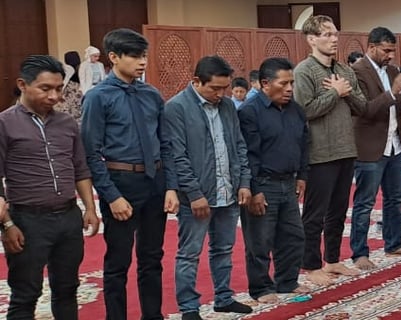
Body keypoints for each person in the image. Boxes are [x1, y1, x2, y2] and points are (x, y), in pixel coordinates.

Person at [81, 28, 176, 320]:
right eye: (134, 56)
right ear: (113, 57)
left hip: (155, 182)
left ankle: (153, 315)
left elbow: (166, 143)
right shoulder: (98, 97)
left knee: (152, 259)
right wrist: (111, 196)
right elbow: (90, 153)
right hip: (121, 183)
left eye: (144, 55)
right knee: (118, 263)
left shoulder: (151, 94)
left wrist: (171, 187)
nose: (142, 62)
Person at [1, 55, 101, 320]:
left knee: (67, 289)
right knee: (25, 294)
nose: (54, 96)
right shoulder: (5, 124)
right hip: (27, 220)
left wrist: (90, 208)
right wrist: (7, 225)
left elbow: (80, 169)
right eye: (45, 88)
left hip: (68, 218)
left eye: (58, 88)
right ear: (23, 85)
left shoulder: (66, 123)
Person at [161, 55, 253, 319]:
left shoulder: (226, 107)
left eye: (224, 89)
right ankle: (189, 307)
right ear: (196, 82)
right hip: (197, 196)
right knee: (189, 253)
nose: (220, 94)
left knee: (223, 249)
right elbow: (177, 156)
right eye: (214, 88)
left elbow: (239, 146)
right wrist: (194, 194)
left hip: (228, 190)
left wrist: (244, 182)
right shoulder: (177, 108)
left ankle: (223, 298)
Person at [294, 15, 367, 285]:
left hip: (346, 148)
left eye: (335, 34)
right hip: (320, 153)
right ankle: (311, 265)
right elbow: (304, 111)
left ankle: (333, 260)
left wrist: (345, 92)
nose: (334, 39)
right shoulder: (304, 71)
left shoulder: (346, 71)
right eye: (326, 35)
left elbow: (363, 106)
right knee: (314, 213)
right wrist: (334, 93)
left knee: (338, 211)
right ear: (311, 39)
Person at [238, 57, 314, 304]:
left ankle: (287, 281)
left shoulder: (296, 110)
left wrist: (302, 175)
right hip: (263, 184)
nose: (290, 88)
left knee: (293, 236)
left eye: (291, 82)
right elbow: (248, 154)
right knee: (260, 240)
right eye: (284, 83)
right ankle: (261, 288)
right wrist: (255, 190)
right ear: (265, 84)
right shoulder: (250, 112)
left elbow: (304, 145)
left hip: (289, 182)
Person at [349, 27, 401, 268]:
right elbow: (365, 110)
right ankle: (360, 253)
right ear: (371, 47)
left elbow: (399, 106)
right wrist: (393, 91)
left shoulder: (391, 71)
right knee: (365, 203)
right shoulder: (357, 71)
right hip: (370, 148)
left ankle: (394, 243)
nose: (390, 55)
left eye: (392, 50)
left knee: (395, 198)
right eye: (386, 50)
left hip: (394, 146)